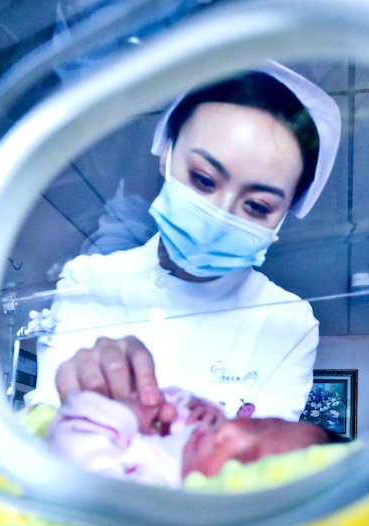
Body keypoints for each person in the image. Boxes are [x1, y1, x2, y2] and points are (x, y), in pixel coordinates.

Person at [28, 61, 342, 445]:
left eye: (257, 206)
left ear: (282, 218)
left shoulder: (289, 323)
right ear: (166, 156)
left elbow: (254, 466)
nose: (220, 216)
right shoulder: (90, 281)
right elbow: (41, 431)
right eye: (204, 180)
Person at [46, 386, 341, 487]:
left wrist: (131, 412)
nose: (228, 432)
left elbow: (74, 458)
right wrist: (186, 406)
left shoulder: (153, 491)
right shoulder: (191, 441)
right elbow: (165, 402)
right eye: (256, 425)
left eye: (240, 460)